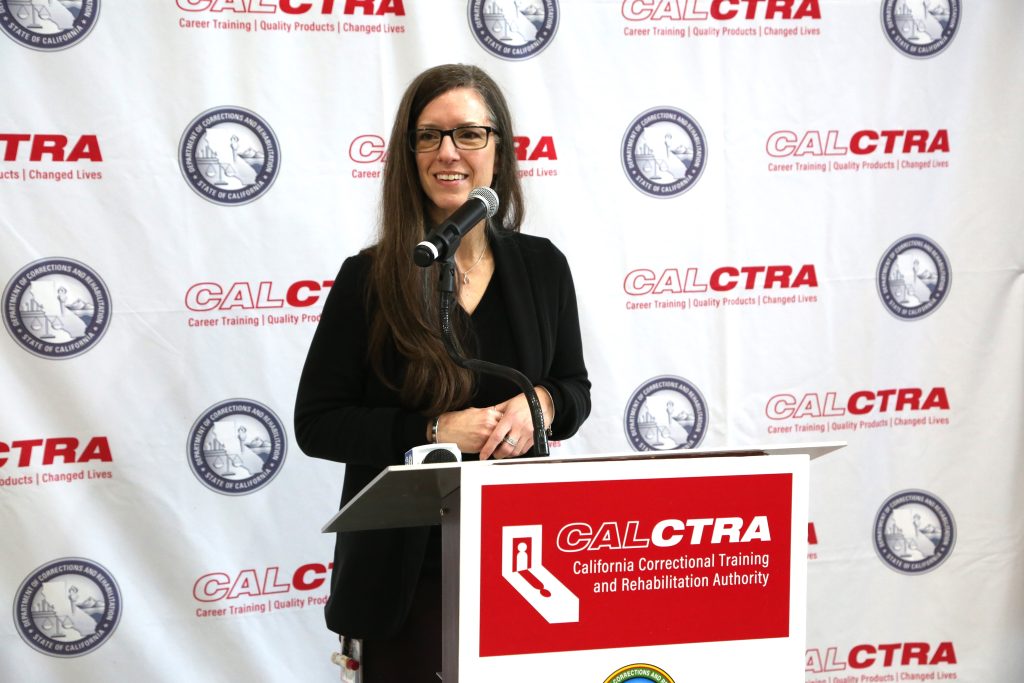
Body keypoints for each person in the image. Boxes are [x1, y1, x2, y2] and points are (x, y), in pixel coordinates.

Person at [294, 63, 591, 680]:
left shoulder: (542, 266)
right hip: (404, 579)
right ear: (409, 153)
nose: (447, 152)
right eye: (427, 136)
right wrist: (431, 432)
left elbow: (574, 389)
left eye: (468, 134)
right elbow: (318, 424)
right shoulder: (369, 277)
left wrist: (541, 402)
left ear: (499, 149)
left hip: (522, 564)